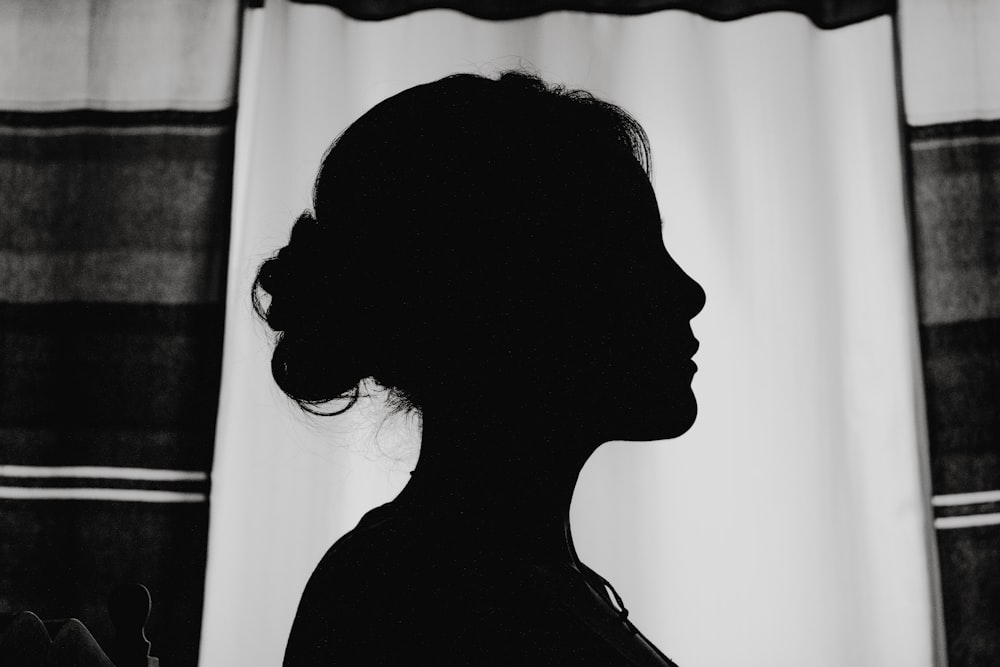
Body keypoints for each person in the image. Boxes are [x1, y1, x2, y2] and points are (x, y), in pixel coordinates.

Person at [254, 70, 705, 665]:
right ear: (500, 297)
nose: (687, 292)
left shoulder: (509, 580)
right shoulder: (411, 601)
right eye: (628, 255)